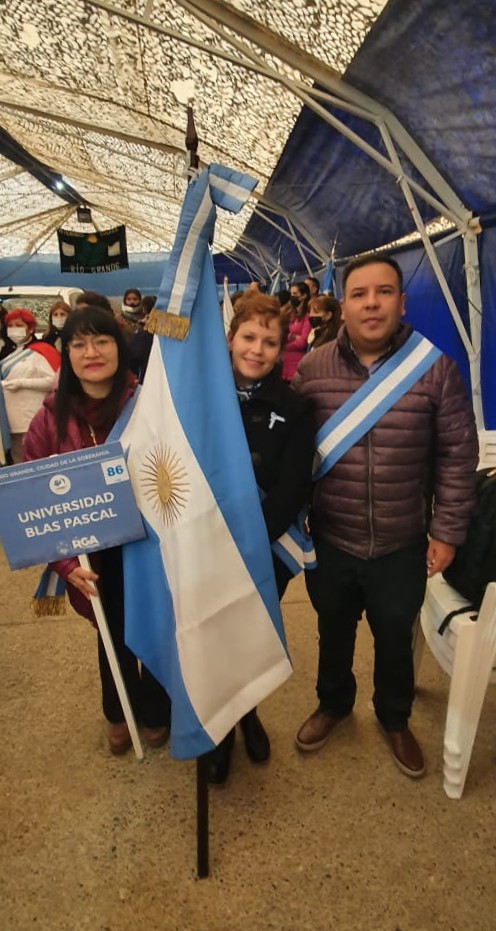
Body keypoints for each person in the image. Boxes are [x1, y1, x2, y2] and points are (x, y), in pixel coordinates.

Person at [293, 254, 479, 778]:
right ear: (342, 305)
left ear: (401, 301)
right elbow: (290, 451)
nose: (371, 303)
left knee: (395, 633)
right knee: (333, 628)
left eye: (383, 292)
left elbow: (457, 456)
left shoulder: (436, 369)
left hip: (403, 540)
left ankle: (394, 717)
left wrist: (447, 531)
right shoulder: (312, 370)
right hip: (331, 536)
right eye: (359, 293)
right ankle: (333, 704)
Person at [23, 306, 171, 755]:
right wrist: (66, 566)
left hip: (150, 548)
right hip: (92, 556)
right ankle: (119, 709)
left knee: (158, 628)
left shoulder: (151, 405)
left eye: (102, 341)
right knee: (112, 634)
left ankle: (158, 707)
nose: (92, 352)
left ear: (119, 347)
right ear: (66, 353)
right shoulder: (49, 418)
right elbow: (32, 501)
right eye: (79, 343)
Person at [206, 293, 315, 784]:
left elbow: (295, 485)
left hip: (266, 546)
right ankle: (220, 727)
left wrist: (251, 541)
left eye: (270, 342)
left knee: (252, 635)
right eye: (249, 337)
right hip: (208, 544)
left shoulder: (294, 406)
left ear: (280, 349)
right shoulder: (203, 398)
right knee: (214, 636)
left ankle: (247, 712)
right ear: (231, 339)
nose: (258, 350)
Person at [0, 309, 60, 462]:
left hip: (31, 419)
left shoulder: (41, 351)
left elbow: (53, 381)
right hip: (10, 423)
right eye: (10, 325)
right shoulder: (8, 354)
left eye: (18, 325)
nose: (14, 329)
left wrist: (22, 383)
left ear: (30, 328)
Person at [281, 282, 312, 381]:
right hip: (286, 362)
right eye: (291, 294)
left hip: (298, 362)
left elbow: (303, 341)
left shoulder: (307, 316)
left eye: (295, 294)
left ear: (304, 296)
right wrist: (293, 336)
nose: (292, 297)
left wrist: (285, 345)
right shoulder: (291, 314)